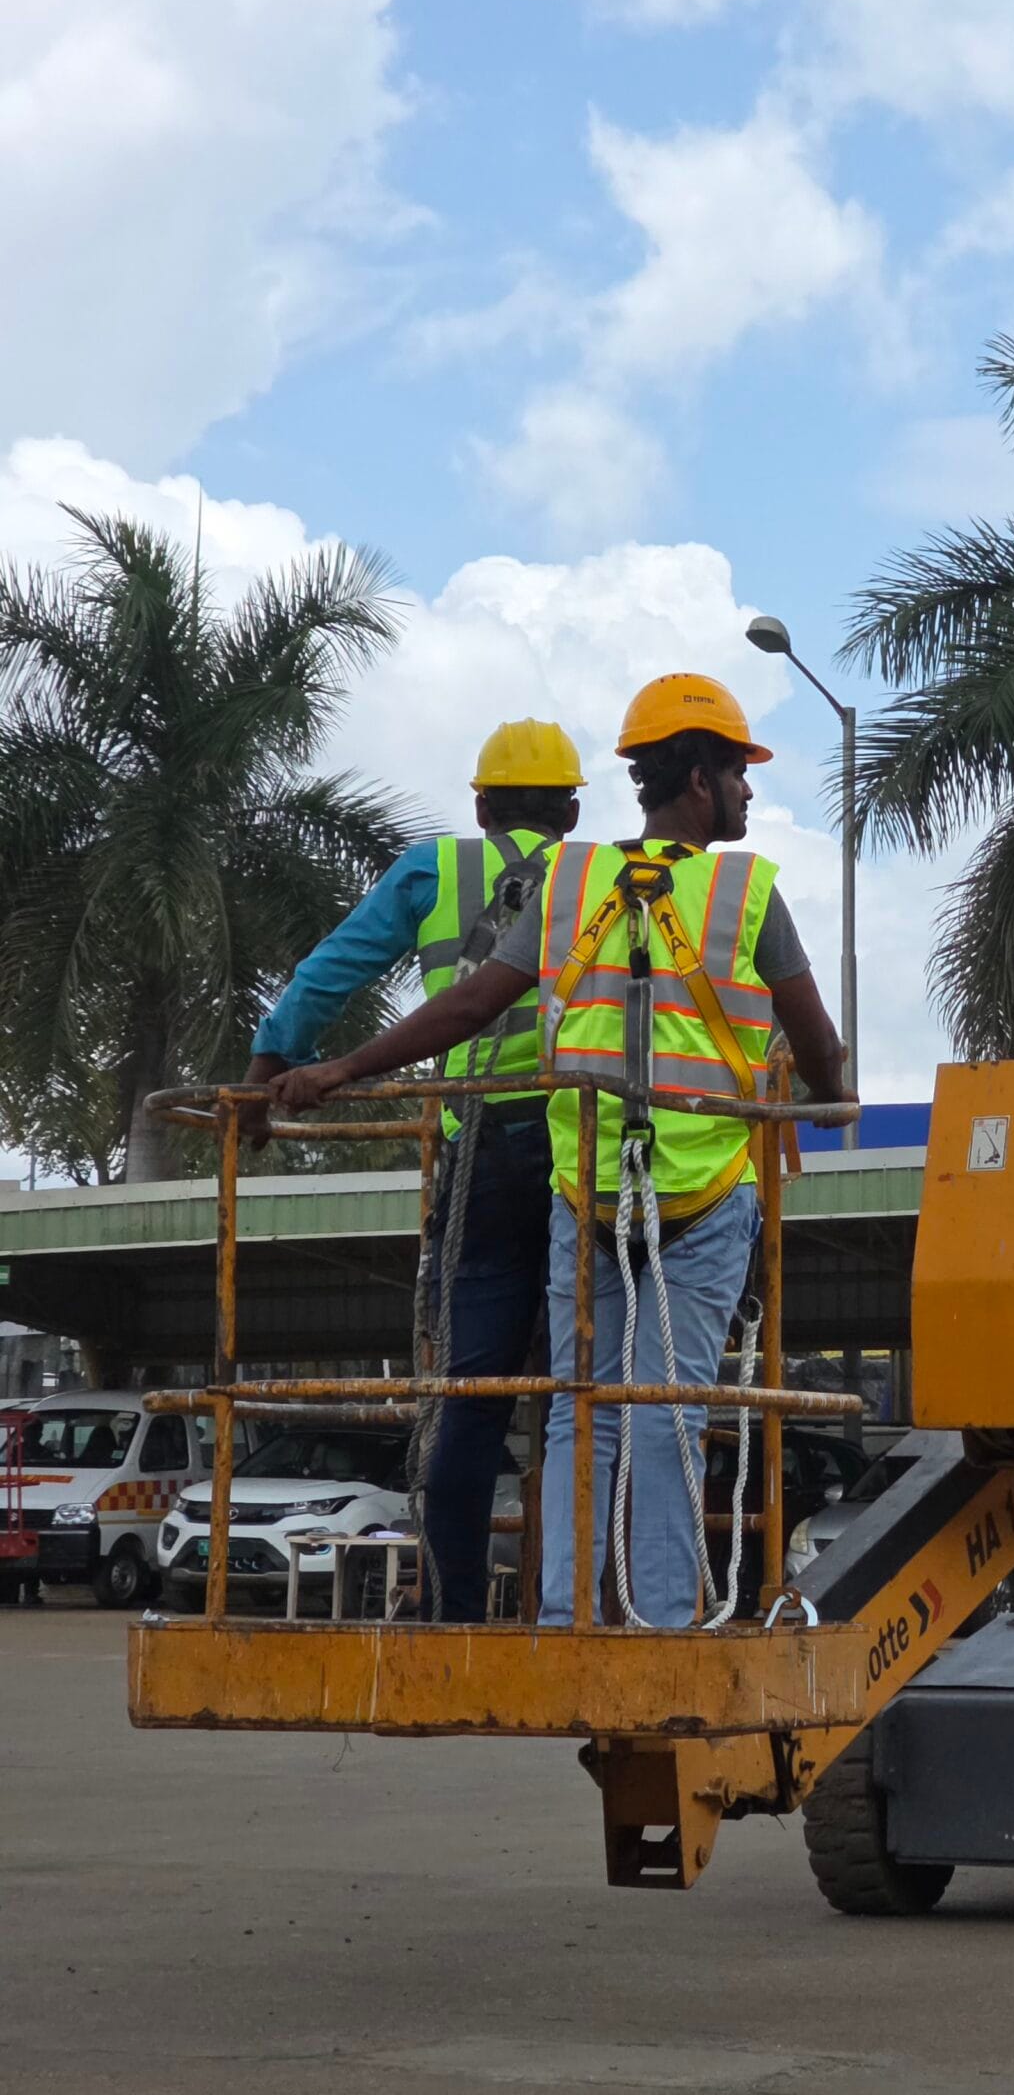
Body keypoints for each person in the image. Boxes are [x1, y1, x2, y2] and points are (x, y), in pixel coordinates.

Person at [265, 673, 848, 1627]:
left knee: (580, 1407)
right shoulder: (748, 891)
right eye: (741, 773)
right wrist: (829, 1099)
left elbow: (466, 1005)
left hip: (581, 1189)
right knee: (667, 1411)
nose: (749, 792)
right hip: (699, 1192)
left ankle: (564, 1617)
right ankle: (658, 1624)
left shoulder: (572, 881)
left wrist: (342, 1069)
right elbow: (815, 1040)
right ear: (700, 779)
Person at [247, 719, 586, 1621]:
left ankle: (452, 1607)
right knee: (588, 1390)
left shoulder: (435, 869)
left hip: (482, 1145)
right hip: (580, 1138)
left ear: (481, 806)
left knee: (469, 1390)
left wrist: (269, 1069)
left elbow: (332, 972)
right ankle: (583, 1608)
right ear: (572, 807)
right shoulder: (600, 875)